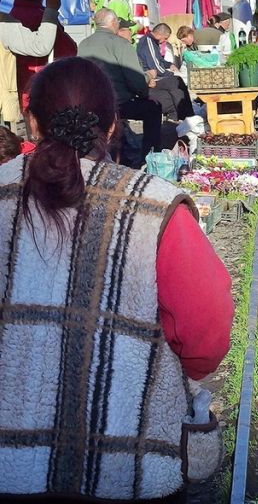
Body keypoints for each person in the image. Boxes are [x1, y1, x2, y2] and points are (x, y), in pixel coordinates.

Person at [0, 57, 233, 501]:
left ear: (31, 123)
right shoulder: (156, 206)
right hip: (130, 465)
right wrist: (170, 374)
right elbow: (207, 324)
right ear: (111, 127)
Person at [78, 8, 163, 162]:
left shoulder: (83, 44)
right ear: (112, 23)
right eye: (117, 21)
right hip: (117, 103)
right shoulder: (120, 44)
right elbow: (135, 78)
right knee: (153, 108)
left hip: (89, 104)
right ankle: (149, 157)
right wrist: (146, 86)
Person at [0, 0, 64, 128]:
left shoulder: (12, 15)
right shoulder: (3, 23)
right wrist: (52, 10)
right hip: (35, 91)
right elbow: (42, 46)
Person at [9, 0, 77, 115]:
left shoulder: (10, 17)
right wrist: (52, 12)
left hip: (14, 89)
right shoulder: (45, 18)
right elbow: (69, 50)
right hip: (41, 88)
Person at [137, 22, 194, 121]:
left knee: (177, 85)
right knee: (176, 82)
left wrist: (169, 64)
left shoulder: (152, 42)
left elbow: (159, 60)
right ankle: (187, 116)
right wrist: (171, 74)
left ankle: (178, 115)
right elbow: (155, 67)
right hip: (151, 77)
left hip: (155, 75)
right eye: (165, 38)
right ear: (159, 34)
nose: (165, 41)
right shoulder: (148, 43)